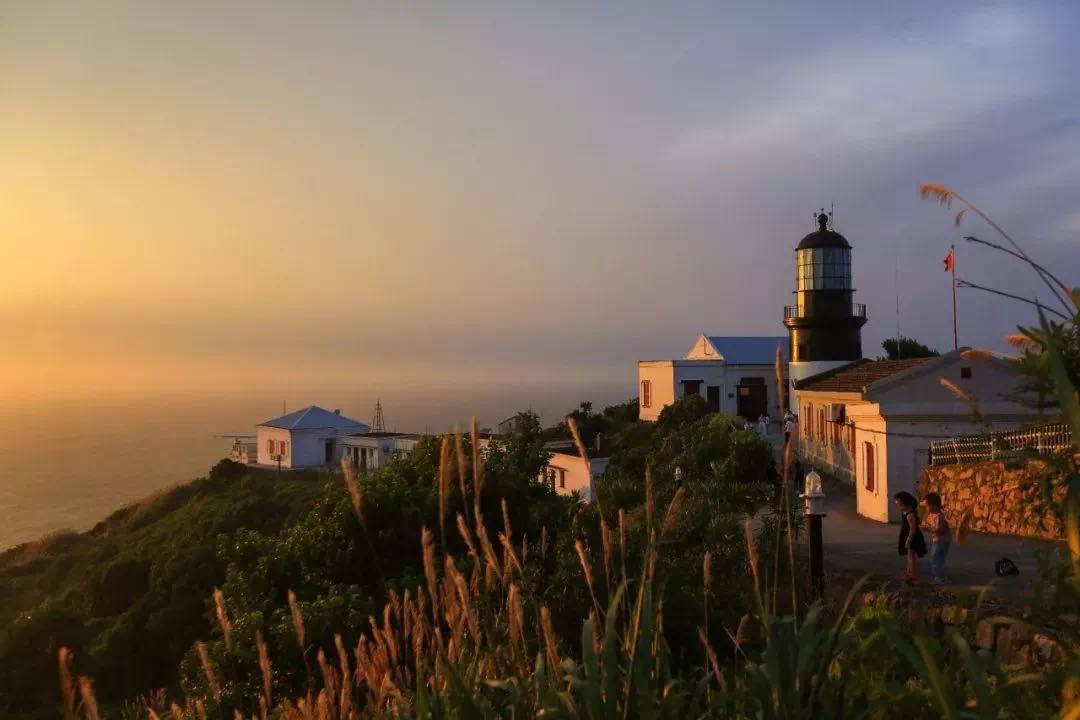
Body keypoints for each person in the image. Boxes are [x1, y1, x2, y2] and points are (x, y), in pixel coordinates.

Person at [893, 491, 927, 583]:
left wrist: (908, 540)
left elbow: (913, 529)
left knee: (911, 556)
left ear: (905, 503)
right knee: (909, 555)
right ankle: (909, 572)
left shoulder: (910, 515)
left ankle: (912, 574)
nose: (898, 506)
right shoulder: (906, 513)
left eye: (899, 504)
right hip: (907, 534)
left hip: (912, 536)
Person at [922, 493, 951, 584]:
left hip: (941, 541)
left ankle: (939, 577)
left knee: (936, 559)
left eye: (927, 506)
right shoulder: (932, 515)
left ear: (933, 505)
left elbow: (939, 529)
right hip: (937, 540)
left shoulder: (939, 515)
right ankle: (940, 576)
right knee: (937, 559)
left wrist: (928, 529)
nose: (926, 508)